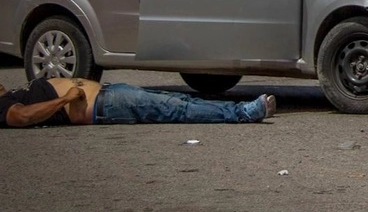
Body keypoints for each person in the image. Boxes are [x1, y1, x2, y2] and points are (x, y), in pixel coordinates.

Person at [0, 76, 277, 128]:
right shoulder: (4, 107)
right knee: (178, 109)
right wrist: (64, 99)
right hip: (103, 106)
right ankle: (242, 112)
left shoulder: (12, 94)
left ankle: (239, 111)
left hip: (109, 94)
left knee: (177, 101)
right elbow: (22, 117)